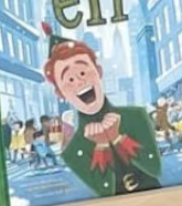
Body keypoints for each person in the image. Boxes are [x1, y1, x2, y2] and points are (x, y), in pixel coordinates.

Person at [41, 26, 161, 197]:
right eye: (69, 79)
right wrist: (102, 145)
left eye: (83, 71)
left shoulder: (136, 116)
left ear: (99, 72)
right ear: (61, 93)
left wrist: (118, 138)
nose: (80, 81)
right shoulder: (73, 151)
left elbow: (154, 167)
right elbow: (103, 188)